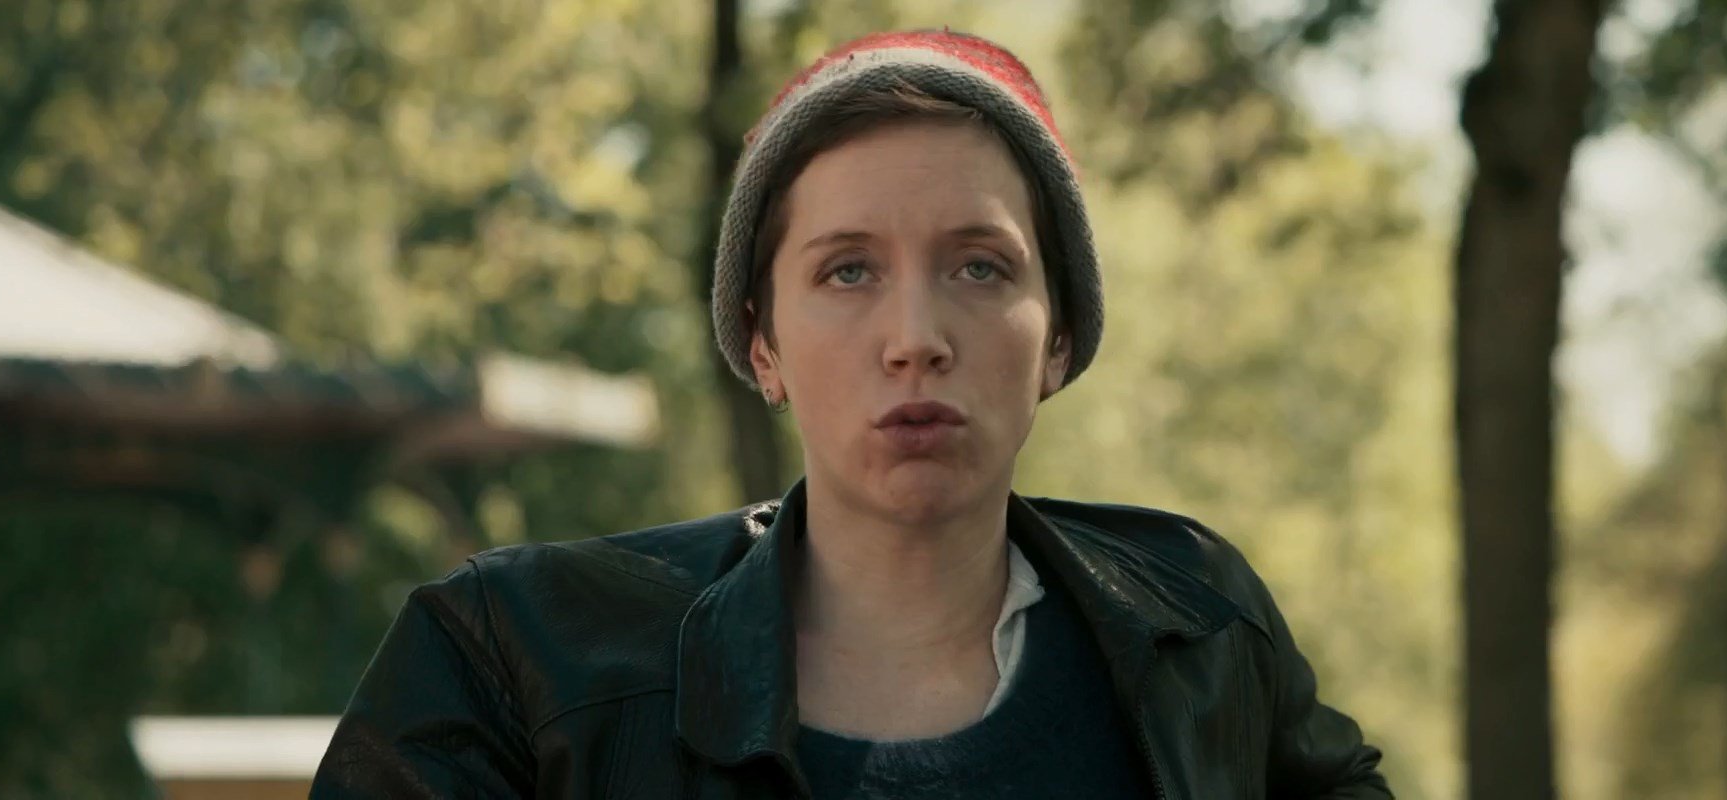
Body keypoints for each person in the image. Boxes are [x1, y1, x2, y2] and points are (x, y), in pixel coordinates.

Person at [313, 30, 1390, 799]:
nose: (914, 336)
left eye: (979, 265)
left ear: (1058, 336)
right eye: (847, 270)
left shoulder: (1201, 626)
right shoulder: (516, 659)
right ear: (763, 344)